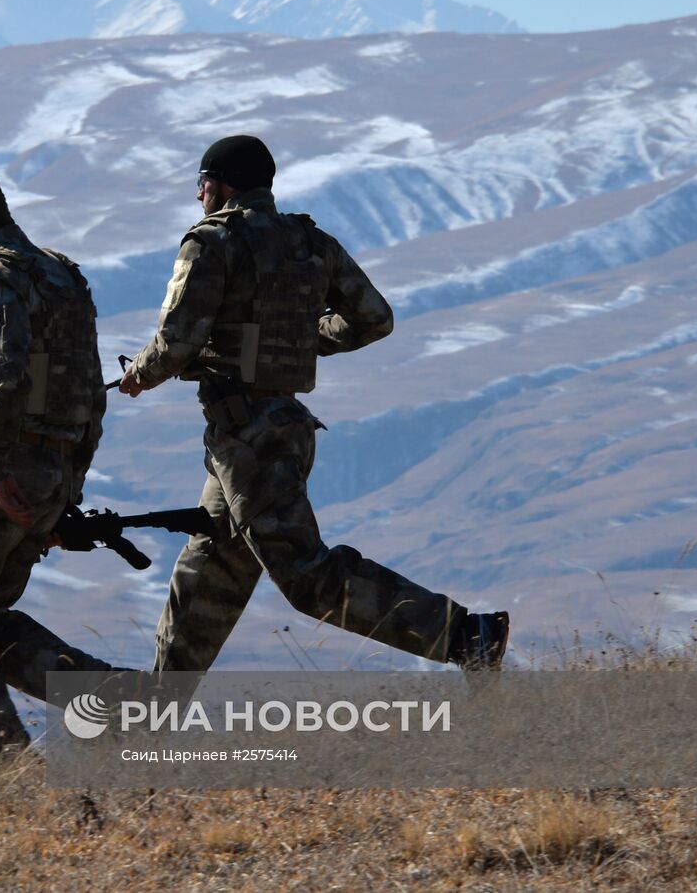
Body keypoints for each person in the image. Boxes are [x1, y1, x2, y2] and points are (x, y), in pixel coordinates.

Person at [119, 135, 509, 681]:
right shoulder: (310, 241)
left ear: (224, 184)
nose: (197, 194)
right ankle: (153, 722)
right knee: (206, 578)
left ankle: (468, 636)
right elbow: (374, 317)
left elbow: (177, 339)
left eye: (201, 183)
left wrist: (140, 373)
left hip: (250, 437)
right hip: (268, 433)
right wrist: (301, 341)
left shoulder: (211, 243)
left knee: (306, 578)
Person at [0, 167, 133, 756]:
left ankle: (8, 785)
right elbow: (90, 390)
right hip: (53, 471)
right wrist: (68, 486)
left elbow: (2, 373)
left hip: (4, 469)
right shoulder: (60, 272)